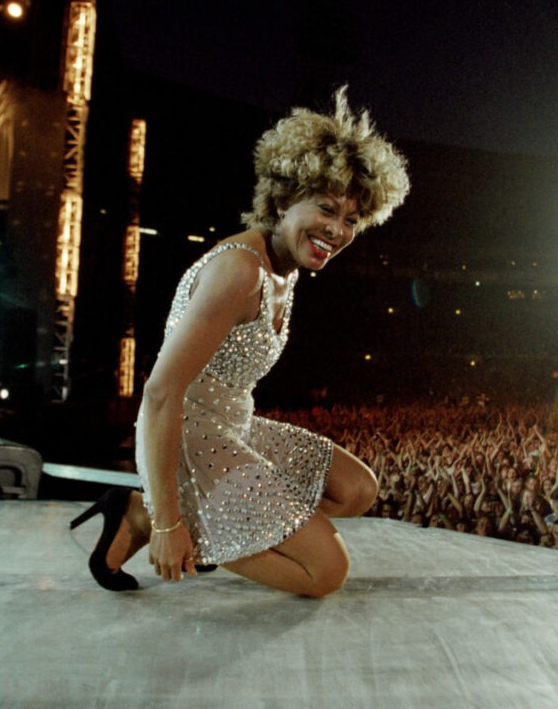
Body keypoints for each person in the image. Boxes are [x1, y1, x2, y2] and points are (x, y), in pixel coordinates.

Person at [71, 88, 410, 597]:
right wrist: (169, 522)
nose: (338, 230)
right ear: (282, 199)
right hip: (184, 433)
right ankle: (148, 516)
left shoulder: (288, 267)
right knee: (326, 575)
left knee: (357, 489)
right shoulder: (239, 271)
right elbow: (161, 393)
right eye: (326, 208)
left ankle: (191, 524)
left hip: (231, 425)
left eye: (352, 221)